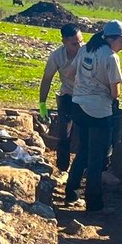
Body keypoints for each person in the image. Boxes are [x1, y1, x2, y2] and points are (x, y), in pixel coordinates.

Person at [66, 19, 122, 212]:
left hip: (79, 106)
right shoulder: (111, 57)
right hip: (99, 111)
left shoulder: (86, 49)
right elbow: (116, 93)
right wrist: (100, 90)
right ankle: (94, 202)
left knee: (83, 150)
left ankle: (71, 191)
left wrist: (85, 86)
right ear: (112, 39)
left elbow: (71, 73)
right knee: (97, 158)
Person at [39, 23, 83, 173]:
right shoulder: (57, 56)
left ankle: (82, 170)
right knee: (64, 134)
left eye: (80, 41)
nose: (79, 46)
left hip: (87, 98)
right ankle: (62, 168)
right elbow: (47, 79)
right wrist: (42, 104)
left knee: (86, 136)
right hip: (68, 96)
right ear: (64, 42)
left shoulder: (88, 52)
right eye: (74, 43)